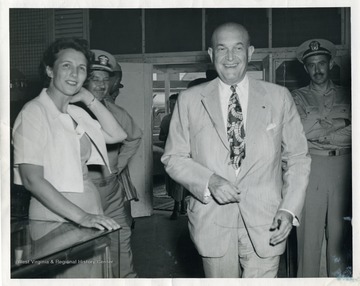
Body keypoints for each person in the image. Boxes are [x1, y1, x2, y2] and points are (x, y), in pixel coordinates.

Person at [161, 22, 311, 278]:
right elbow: (173, 158)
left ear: (250, 52)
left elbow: (297, 158)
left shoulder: (279, 97)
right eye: (222, 49)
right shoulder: (189, 100)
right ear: (211, 55)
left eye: (237, 48)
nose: (230, 58)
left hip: (268, 220)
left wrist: (288, 209)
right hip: (213, 220)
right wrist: (209, 180)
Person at [12, 38, 127, 277]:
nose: (75, 73)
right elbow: (32, 179)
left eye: (82, 67)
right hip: (56, 215)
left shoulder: (75, 112)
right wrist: (82, 217)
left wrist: (88, 99)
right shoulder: (34, 112)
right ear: (49, 70)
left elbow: (118, 134)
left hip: (90, 209)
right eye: (66, 66)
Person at [292, 39, 352, 277]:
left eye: (322, 63)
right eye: (312, 65)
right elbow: (299, 132)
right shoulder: (296, 98)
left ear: (331, 64)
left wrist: (320, 128)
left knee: (341, 237)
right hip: (311, 166)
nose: (317, 70)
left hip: (344, 168)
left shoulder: (349, 94)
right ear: (305, 69)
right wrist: (343, 123)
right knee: (309, 235)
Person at [86, 49, 142, 278]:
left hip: (111, 190)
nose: (100, 85)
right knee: (85, 251)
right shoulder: (67, 111)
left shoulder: (114, 111)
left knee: (121, 239)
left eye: (105, 80)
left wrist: (116, 166)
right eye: (94, 79)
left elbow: (134, 137)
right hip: (83, 192)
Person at [159, 93, 188, 219]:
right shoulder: (166, 119)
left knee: (182, 182)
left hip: (184, 155)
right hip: (170, 154)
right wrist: (168, 137)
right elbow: (160, 136)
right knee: (173, 182)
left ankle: (178, 207)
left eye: (175, 104)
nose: (172, 107)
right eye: (170, 104)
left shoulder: (187, 118)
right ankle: (179, 205)